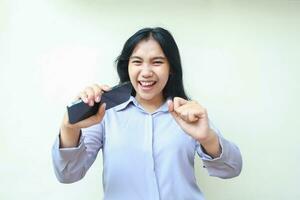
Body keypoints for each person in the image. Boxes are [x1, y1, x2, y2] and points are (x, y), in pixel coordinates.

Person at [52, 27, 242, 200]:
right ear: (127, 66)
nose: (146, 72)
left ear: (171, 69)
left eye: (157, 62)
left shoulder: (188, 114)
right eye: (137, 62)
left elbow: (231, 169)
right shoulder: (105, 113)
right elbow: (68, 174)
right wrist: (70, 126)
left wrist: (207, 138)